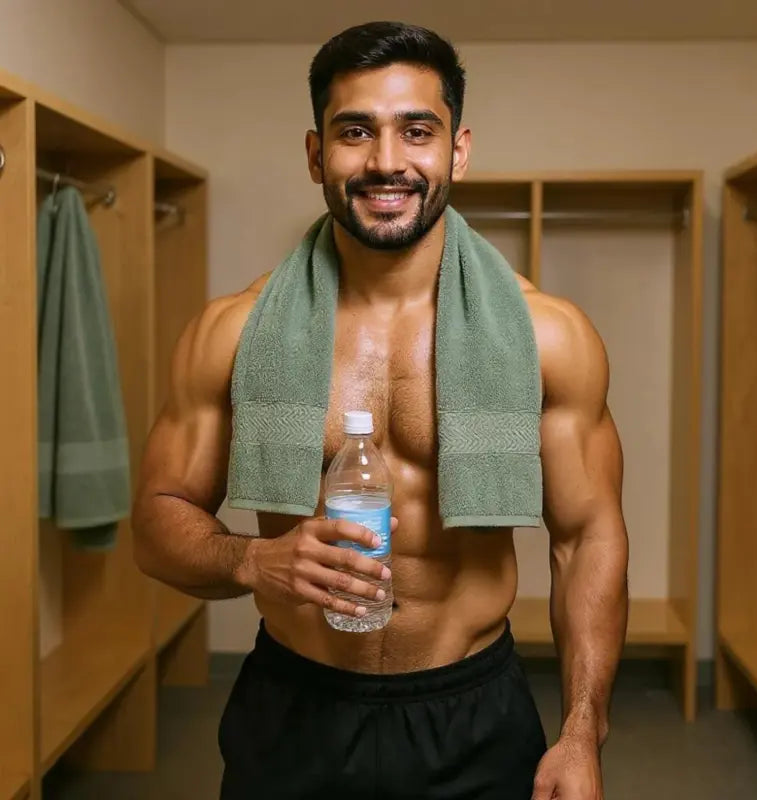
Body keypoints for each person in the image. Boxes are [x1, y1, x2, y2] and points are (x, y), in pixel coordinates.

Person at [132, 20, 629, 800]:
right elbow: (157, 526)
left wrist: (581, 730)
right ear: (314, 153)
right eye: (355, 131)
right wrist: (253, 560)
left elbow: (587, 537)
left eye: (417, 131)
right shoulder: (234, 333)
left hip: (472, 707)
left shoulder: (547, 337)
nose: (387, 161)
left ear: (457, 150)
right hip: (295, 704)